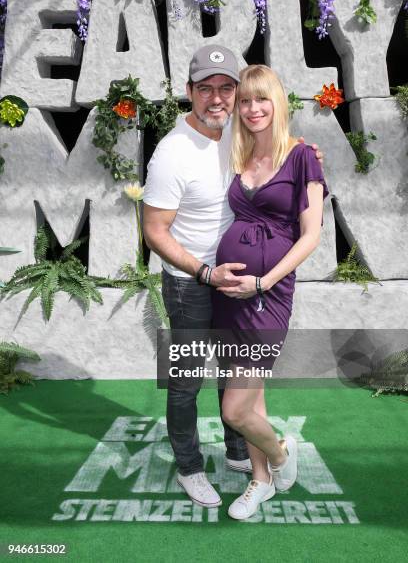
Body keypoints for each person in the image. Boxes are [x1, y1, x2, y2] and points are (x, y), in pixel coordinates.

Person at [143, 44, 323, 509]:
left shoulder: (237, 132)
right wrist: (205, 272)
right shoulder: (171, 152)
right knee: (185, 380)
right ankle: (189, 465)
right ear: (189, 93)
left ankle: (240, 449)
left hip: (241, 288)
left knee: (233, 374)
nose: (219, 99)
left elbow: (278, 152)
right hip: (190, 284)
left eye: (228, 89)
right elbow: (154, 230)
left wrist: (306, 153)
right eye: (207, 89)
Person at [212, 64, 328, 519]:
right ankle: (261, 481)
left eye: (262, 99)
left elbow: (310, 236)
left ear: (278, 102)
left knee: (235, 410)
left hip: (266, 296)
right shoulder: (239, 157)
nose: (253, 109)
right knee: (253, 397)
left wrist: (262, 281)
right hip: (229, 295)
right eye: (245, 101)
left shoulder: (303, 156)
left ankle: (280, 456)